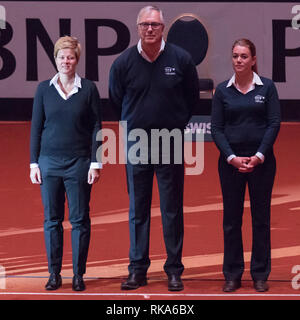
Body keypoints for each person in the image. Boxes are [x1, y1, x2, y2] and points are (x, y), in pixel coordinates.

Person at [109, 6, 199, 291]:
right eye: (145, 24)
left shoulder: (181, 59)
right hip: (137, 144)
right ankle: (138, 270)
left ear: (163, 29)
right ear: (137, 27)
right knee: (138, 209)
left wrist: (173, 126)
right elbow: (116, 99)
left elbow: (191, 99)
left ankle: (174, 269)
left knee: (172, 209)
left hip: (170, 142)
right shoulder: (123, 63)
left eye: (155, 25)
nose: (150, 29)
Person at [30, 36, 102, 291]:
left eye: (70, 57)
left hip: (79, 163)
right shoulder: (43, 89)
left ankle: (79, 275)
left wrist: (96, 162)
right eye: (61, 56)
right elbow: (36, 128)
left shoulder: (89, 89)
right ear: (55, 58)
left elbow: (96, 127)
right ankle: (54, 273)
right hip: (49, 163)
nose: (66, 61)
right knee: (52, 220)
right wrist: (33, 163)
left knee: (80, 219)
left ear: (76, 60)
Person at [211, 38, 281, 292]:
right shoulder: (222, 90)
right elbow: (216, 129)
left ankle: (260, 274)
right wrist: (232, 157)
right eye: (235, 56)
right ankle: (232, 273)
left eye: (243, 56)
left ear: (253, 60)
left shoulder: (268, 88)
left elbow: (274, 123)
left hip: (262, 164)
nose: (238, 60)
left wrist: (259, 155)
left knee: (261, 219)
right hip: (230, 164)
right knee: (231, 220)